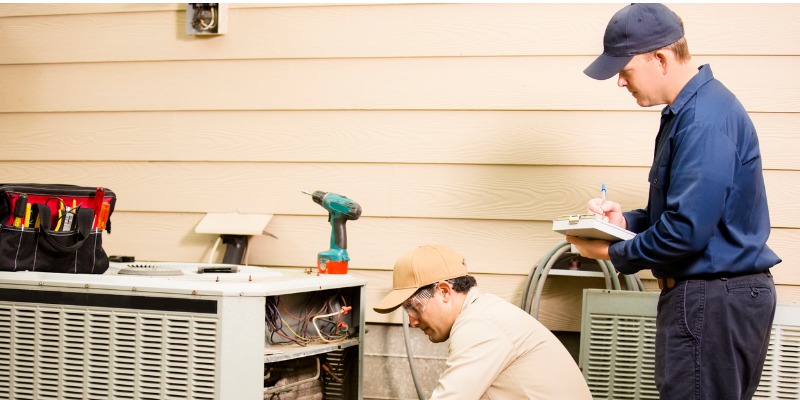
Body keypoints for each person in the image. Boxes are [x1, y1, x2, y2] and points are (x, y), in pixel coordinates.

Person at [572, 3, 782, 399]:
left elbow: (686, 232)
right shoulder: (693, 111)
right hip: (716, 299)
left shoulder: (703, 120)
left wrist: (613, 253)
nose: (620, 81)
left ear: (660, 58)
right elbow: (683, 215)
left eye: (624, 69)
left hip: (711, 300)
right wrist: (626, 223)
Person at [373, 244, 592, 400]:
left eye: (414, 307)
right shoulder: (484, 311)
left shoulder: (479, 325)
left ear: (444, 291)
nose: (412, 321)